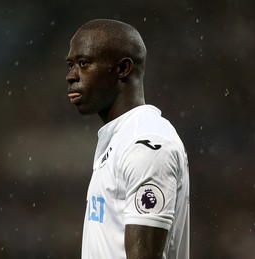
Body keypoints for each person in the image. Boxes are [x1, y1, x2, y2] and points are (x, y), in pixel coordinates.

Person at [65, 19, 189, 259]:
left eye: (83, 63)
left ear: (123, 68)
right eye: (70, 65)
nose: (71, 76)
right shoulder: (120, 138)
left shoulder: (146, 143)